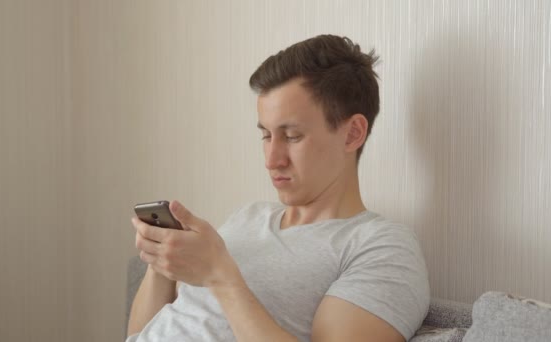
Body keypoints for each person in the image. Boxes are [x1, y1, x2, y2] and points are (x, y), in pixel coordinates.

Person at [127, 34, 430, 342]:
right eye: (266, 136)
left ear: (352, 133)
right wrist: (162, 263)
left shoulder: (381, 247)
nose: (272, 160)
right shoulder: (248, 216)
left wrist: (220, 277)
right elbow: (140, 334)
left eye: (293, 136)